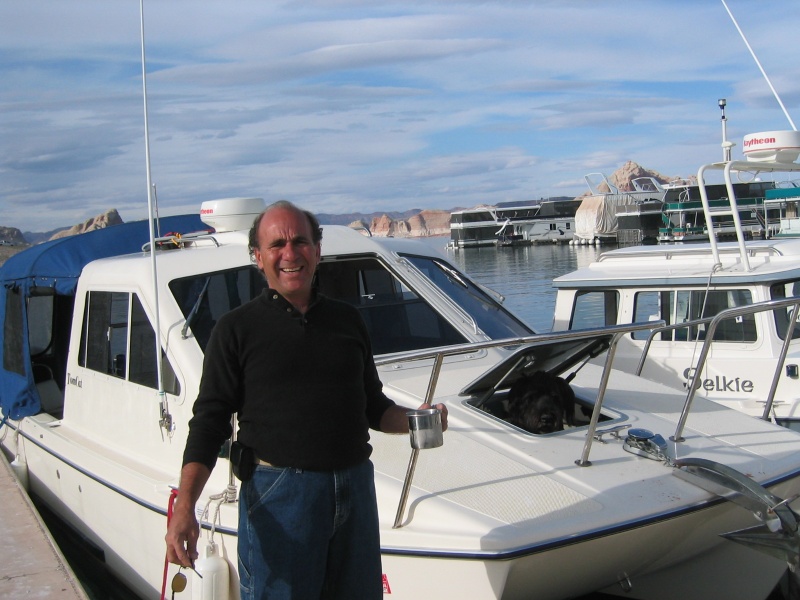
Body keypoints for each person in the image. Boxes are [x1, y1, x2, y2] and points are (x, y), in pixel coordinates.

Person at [165, 200, 448, 599]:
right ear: (258, 258)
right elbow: (209, 423)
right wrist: (185, 507)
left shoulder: (347, 320)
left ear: (317, 250)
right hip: (278, 494)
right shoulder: (235, 330)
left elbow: (372, 406)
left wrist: (418, 418)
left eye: (300, 241)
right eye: (276, 244)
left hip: (354, 489)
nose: (290, 253)